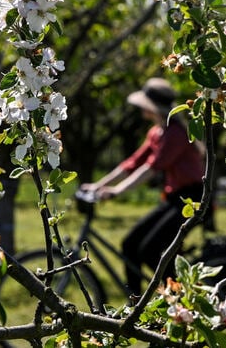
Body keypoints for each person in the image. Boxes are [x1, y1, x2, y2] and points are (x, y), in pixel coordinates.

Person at [81, 77, 205, 294]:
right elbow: (132, 163)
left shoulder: (175, 133)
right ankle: (136, 304)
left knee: (149, 250)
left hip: (192, 199)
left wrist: (117, 191)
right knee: (130, 245)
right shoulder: (157, 132)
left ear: (152, 107)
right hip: (174, 198)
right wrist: (98, 185)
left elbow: (151, 168)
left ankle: (182, 297)